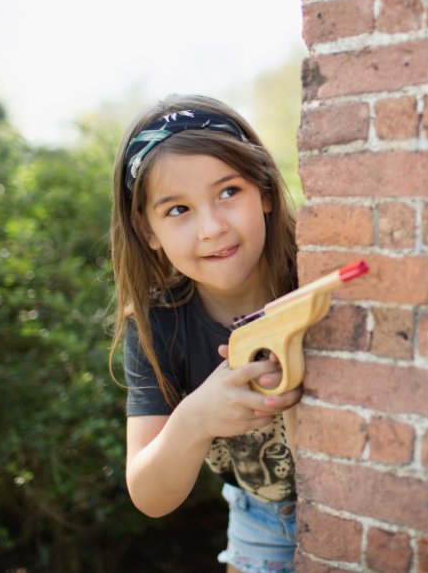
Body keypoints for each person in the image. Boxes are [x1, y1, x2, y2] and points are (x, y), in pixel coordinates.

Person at [109, 94, 301, 573]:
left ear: (267, 192)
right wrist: (196, 418)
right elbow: (150, 495)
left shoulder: (312, 280)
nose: (212, 228)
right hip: (260, 517)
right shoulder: (158, 326)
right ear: (147, 229)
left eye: (229, 192)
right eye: (177, 210)